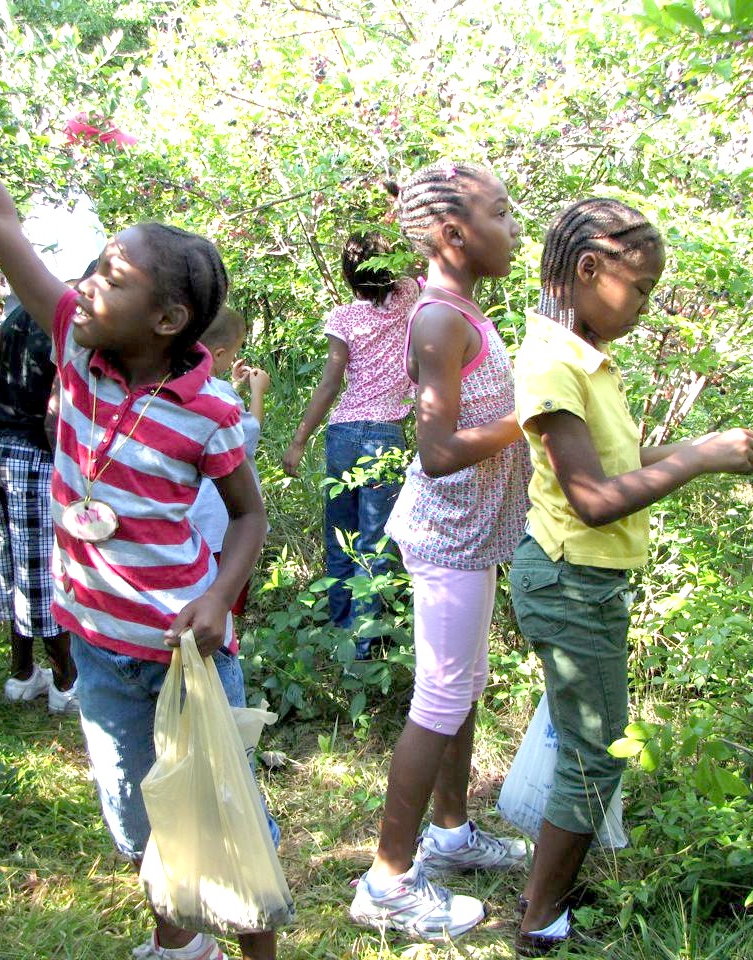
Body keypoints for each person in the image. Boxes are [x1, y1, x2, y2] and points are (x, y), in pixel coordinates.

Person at [0, 24, 275, 960]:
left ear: (167, 320)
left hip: (186, 659)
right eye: (90, 271)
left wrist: (217, 598)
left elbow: (250, 514)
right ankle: (179, 943)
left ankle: (249, 947)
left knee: (222, 820)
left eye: (110, 278)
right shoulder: (72, 349)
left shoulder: (205, 410)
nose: (85, 286)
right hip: (98, 648)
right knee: (140, 826)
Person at [509, 199, 753, 955]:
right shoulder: (553, 362)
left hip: (584, 580)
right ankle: (540, 919)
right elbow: (591, 501)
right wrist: (698, 460)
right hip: (571, 579)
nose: (646, 306)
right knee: (594, 752)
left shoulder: (585, 358)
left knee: (582, 740)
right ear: (589, 270)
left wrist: (698, 445)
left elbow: (614, 469)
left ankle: (546, 892)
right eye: (642, 288)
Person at [348, 161, 532, 940]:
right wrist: (532, 419)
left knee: (461, 690)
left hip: (472, 536)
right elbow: (436, 451)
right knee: (441, 700)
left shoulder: (465, 311)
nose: (515, 226)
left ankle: (451, 833)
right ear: (455, 233)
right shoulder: (438, 320)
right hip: (448, 538)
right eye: (502, 211)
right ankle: (387, 880)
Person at [281, 233, 417, 657]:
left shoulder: (342, 317)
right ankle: (364, 642)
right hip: (383, 436)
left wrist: (299, 441)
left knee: (340, 535)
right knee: (375, 542)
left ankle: (341, 631)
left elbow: (330, 383)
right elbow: (415, 259)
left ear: (347, 275)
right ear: (389, 267)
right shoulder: (410, 296)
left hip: (342, 433)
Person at [0, 300, 78, 714]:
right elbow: (52, 419)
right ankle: (66, 683)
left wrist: (7, 410)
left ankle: (23, 674)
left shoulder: (19, 313)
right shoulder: (66, 324)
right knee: (41, 572)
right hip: (33, 457)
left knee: (10, 558)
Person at [189, 306, 270, 620]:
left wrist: (229, 384)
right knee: (225, 596)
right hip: (222, 518)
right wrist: (256, 392)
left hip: (192, 521)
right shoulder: (221, 395)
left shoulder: (182, 387)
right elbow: (246, 438)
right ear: (219, 354)